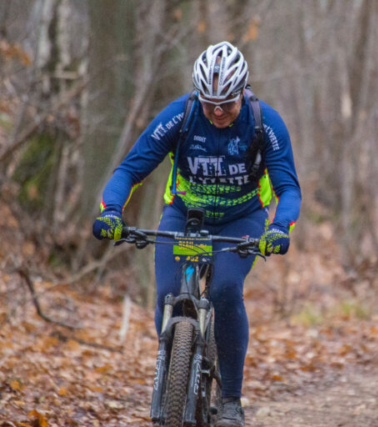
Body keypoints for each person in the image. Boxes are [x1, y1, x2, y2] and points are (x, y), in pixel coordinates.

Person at [92, 41, 301, 426]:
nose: (218, 112)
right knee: (166, 295)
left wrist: (278, 227)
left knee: (225, 290)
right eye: (210, 104)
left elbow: (288, 188)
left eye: (227, 104)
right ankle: (173, 373)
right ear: (198, 96)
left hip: (242, 219)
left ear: (243, 93)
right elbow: (129, 170)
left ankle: (232, 400)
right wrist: (111, 211)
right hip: (185, 215)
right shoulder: (181, 115)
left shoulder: (265, 122)